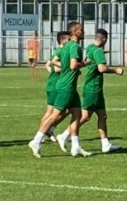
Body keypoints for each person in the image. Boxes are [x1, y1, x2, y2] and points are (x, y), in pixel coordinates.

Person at [56, 28, 123, 153]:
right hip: (93, 88)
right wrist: (115, 70)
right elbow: (102, 68)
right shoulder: (98, 51)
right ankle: (64, 135)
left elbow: (91, 57)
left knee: (102, 115)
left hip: (95, 88)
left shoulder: (90, 48)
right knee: (85, 117)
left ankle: (105, 144)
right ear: (104, 39)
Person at [29, 23, 88, 158]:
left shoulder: (66, 46)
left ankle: (76, 146)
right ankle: (36, 141)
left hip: (69, 86)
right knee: (54, 115)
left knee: (77, 114)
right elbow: (73, 66)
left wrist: (66, 67)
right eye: (81, 30)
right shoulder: (75, 47)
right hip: (66, 86)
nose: (83, 32)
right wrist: (85, 63)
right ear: (74, 31)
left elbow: (54, 60)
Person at [28, 30, 71, 157]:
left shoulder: (60, 52)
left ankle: (48, 131)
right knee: (51, 113)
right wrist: (69, 68)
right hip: (55, 86)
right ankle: (39, 136)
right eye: (69, 40)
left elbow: (48, 65)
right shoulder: (60, 52)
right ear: (63, 41)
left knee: (67, 110)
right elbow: (56, 67)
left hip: (56, 84)